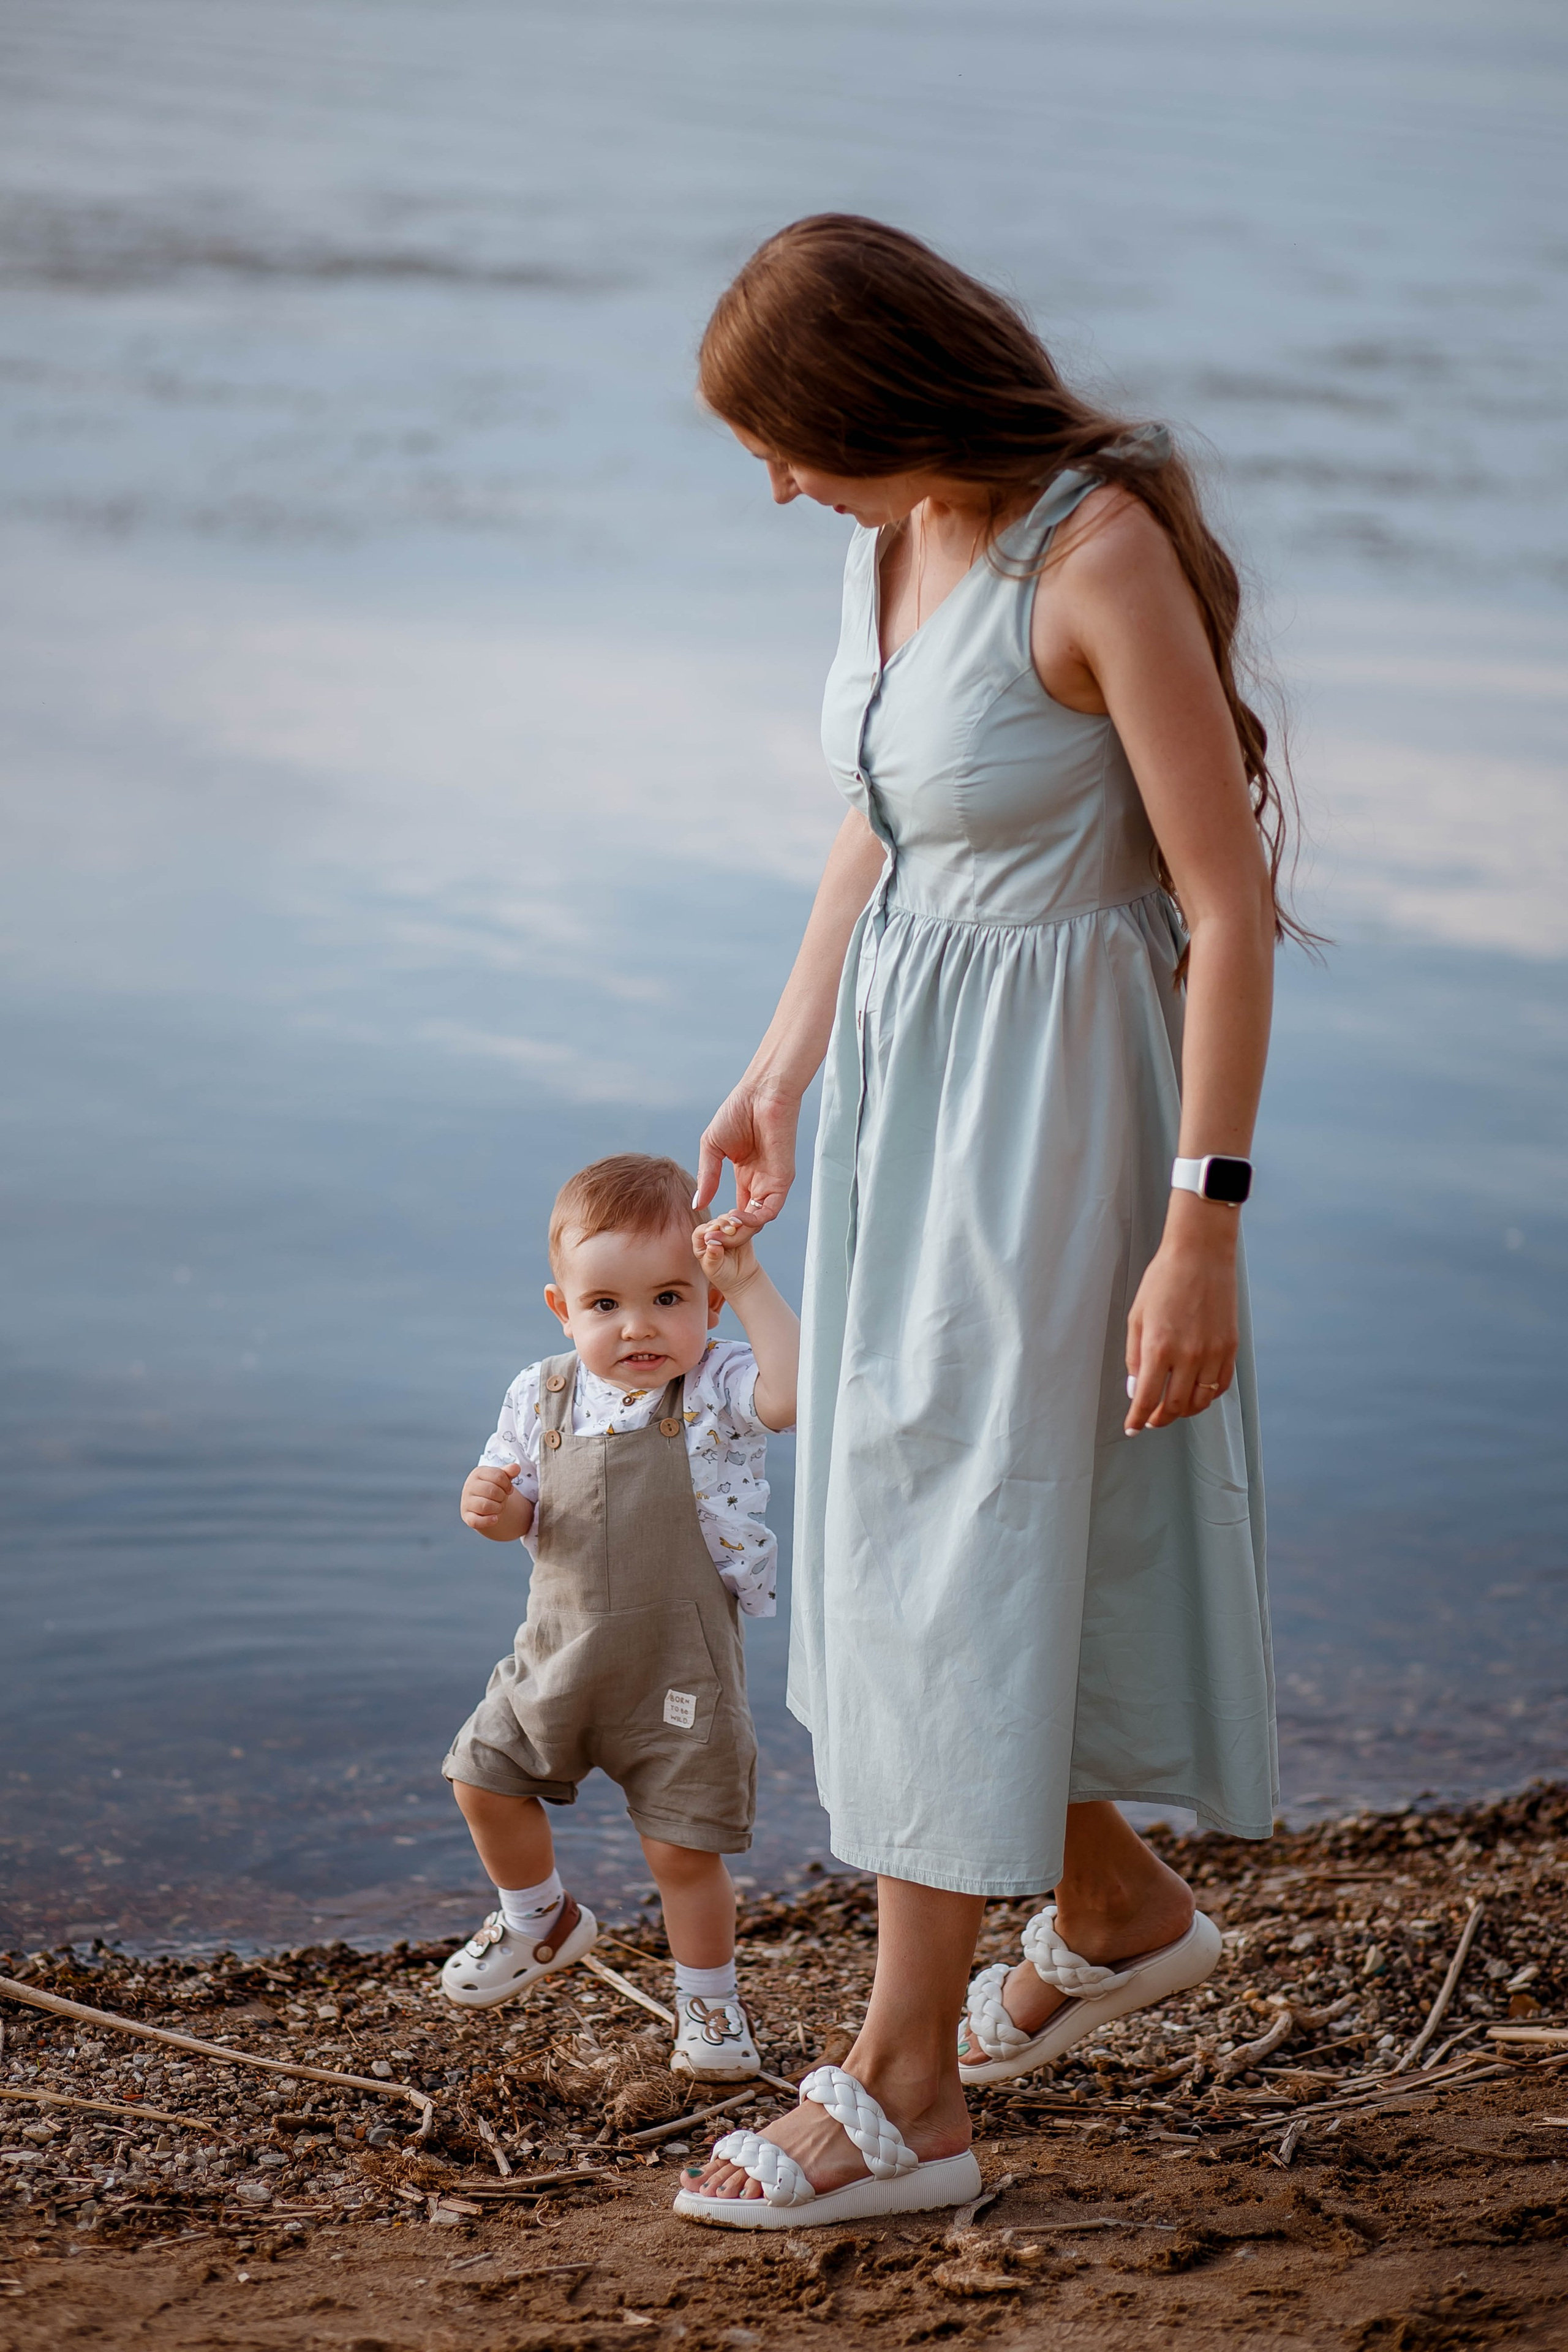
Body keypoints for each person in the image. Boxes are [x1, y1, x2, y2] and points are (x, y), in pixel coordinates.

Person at [674, 216, 1297, 2226]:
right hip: (907, 1100)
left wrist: (1202, 1222)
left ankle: (906, 2084)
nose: (769, 486)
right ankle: (1109, 1909)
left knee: (957, 1533)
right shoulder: (892, 539)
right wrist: (779, 1069)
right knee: (907, 1508)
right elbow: (876, 809)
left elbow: (1224, 913)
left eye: (787, 441)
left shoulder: (1093, 553)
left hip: (1068, 1116)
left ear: (882, 402)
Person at [439, 1152, 799, 2084]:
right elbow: (528, 1513)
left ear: (708, 1305)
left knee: (682, 1849)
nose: (639, 1327)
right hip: (558, 1652)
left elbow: (792, 1396)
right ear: (564, 1308)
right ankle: (540, 1918)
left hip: (676, 1667)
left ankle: (710, 2002)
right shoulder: (542, 1393)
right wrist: (492, 1508)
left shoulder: (715, 1388)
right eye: (606, 1306)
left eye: (671, 1298)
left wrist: (750, 1279)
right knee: (482, 1777)